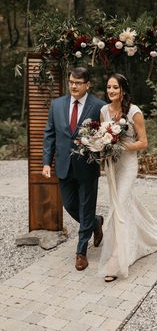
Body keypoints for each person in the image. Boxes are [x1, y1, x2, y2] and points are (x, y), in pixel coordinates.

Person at [98, 73, 157, 282]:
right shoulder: (103, 111)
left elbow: (143, 142)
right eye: (109, 87)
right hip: (113, 166)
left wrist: (120, 144)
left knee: (118, 207)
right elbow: (103, 138)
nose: (111, 91)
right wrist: (103, 146)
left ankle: (117, 260)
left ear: (123, 90)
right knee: (124, 204)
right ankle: (139, 239)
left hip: (128, 165)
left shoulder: (134, 112)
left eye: (115, 88)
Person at [42, 67, 106, 271]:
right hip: (63, 165)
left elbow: (105, 135)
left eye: (78, 83)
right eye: (71, 82)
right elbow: (49, 134)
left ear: (87, 84)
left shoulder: (99, 106)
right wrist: (46, 162)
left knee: (86, 207)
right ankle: (95, 223)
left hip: (87, 167)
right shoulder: (57, 104)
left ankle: (81, 252)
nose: (73, 86)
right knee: (70, 205)